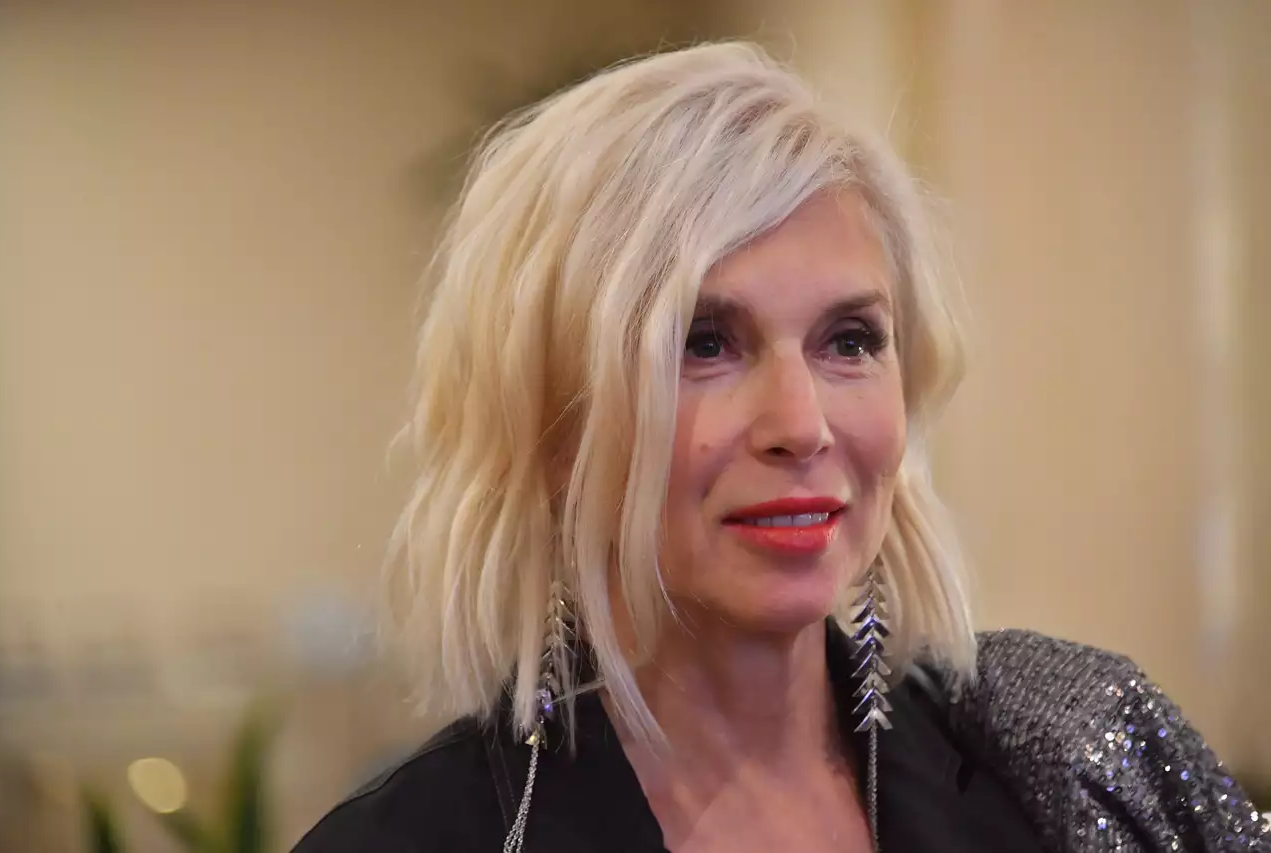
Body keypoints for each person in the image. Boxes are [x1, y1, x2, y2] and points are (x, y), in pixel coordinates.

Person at [294, 42, 1267, 852]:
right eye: (703, 343)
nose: (801, 425)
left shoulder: (1070, 758)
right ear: (554, 424)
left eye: (849, 340)